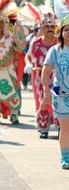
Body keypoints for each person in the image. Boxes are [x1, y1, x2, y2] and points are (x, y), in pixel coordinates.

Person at [24, 13, 59, 139]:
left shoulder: (60, 41)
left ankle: (60, 125)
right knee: (43, 100)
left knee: (58, 100)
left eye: (52, 26)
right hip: (39, 75)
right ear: (42, 28)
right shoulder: (36, 42)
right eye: (47, 26)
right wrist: (27, 64)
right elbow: (28, 55)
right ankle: (43, 126)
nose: (49, 29)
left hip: (58, 77)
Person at [42, 14, 69, 169]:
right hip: (61, 95)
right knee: (65, 127)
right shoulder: (55, 51)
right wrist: (46, 92)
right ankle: (66, 158)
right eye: (66, 29)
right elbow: (45, 72)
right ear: (61, 33)